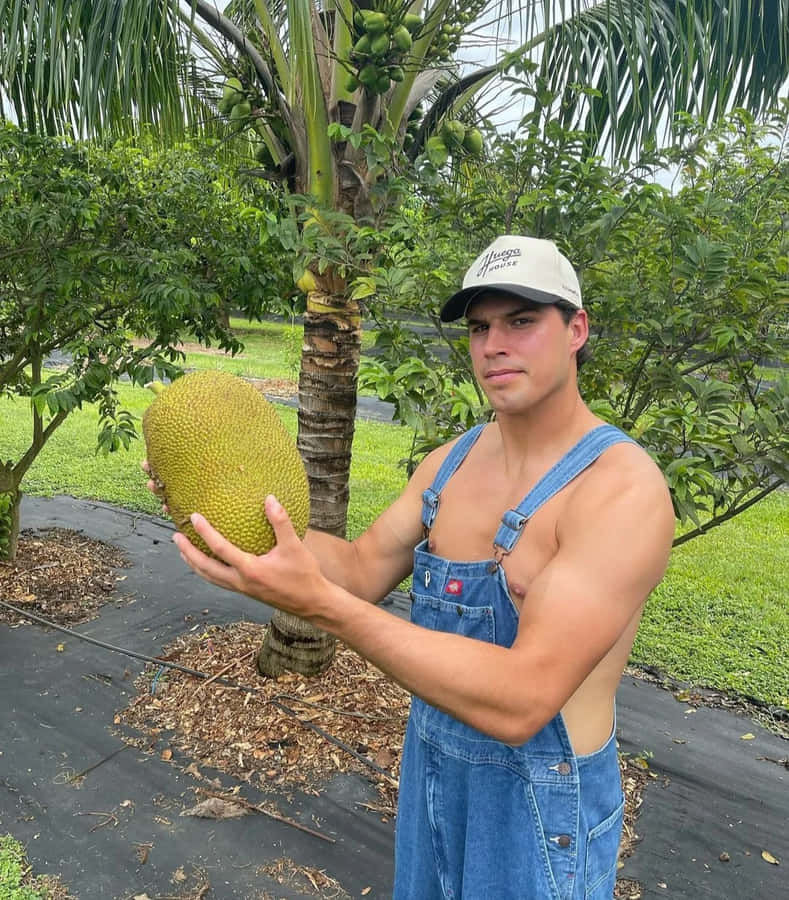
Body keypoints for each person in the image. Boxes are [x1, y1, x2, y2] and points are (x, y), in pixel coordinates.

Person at [148, 235, 675, 899]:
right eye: (479, 327)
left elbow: (521, 701)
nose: (493, 345)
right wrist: (228, 518)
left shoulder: (621, 491)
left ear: (575, 330)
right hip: (431, 775)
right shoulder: (448, 464)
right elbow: (360, 569)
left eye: (521, 321)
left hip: (541, 808)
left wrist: (324, 608)